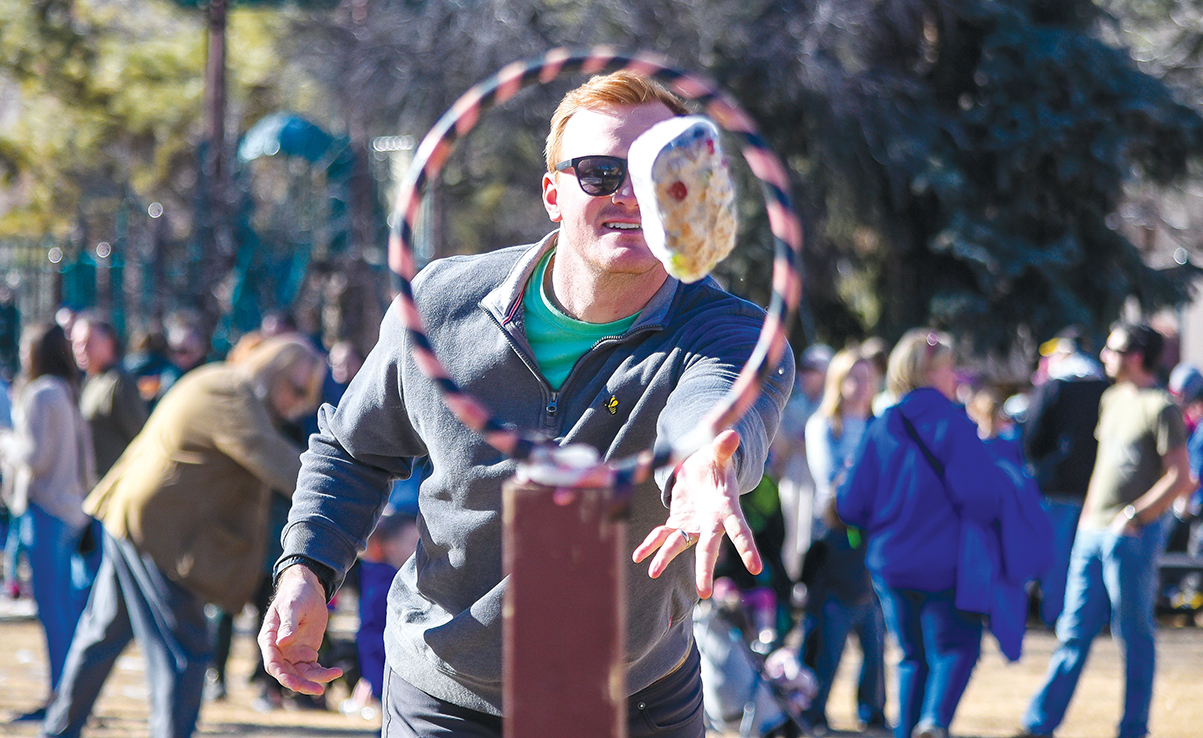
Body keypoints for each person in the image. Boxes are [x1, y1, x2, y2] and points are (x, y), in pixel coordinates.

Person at [258, 71, 794, 738]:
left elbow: (717, 404)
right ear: (553, 194)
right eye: (600, 172)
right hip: (446, 697)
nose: (629, 192)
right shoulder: (441, 307)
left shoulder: (730, 330)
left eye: (658, 171)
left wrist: (704, 464)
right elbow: (353, 447)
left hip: (638, 698)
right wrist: (306, 567)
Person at [41, 335, 326, 738]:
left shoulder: (223, 384)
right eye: (297, 389)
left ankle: (57, 731)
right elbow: (276, 461)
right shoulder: (230, 392)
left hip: (138, 522)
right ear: (273, 368)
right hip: (156, 533)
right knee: (184, 652)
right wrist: (344, 504)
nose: (297, 402)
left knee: (100, 638)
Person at [1017, 322, 1196, 738]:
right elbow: (1105, 465)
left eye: (1112, 350)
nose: (1103, 357)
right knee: (1073, 630)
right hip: (1092, 531)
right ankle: (1039, 724)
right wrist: (1088, 518)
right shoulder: (1111, 398)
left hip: (1131, 536)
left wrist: (1134, 516)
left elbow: (1180, 477)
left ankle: (1133, 728)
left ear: (1135, 357)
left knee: (1132, 636)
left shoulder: (1161, 406)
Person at [837, 329, 1018, 738]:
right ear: (928, 372)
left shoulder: (883, 423)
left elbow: (849, 504)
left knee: (911, 658)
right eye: (950, 368)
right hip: (944, 564)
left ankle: (911, 731)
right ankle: (934, 722)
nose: (957, 377)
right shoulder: (953, 423)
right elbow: (983, 498)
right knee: (957, 649)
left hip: (891, 566)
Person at [0, 323, 96, 722]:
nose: (21, 354)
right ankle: (69, 694)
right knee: (65, 609)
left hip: (46, 511)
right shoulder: (67, 390)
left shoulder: (40, 393)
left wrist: (5, 440)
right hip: (71, 510)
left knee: (53, 610)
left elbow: (34, 457)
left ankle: (61, 697)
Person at [800, 347, 887, 734]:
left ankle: (873, 709)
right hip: (835, 542)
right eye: (853, 377)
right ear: (839, 381)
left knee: (875, 632)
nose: (861, 385)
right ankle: (815, 708)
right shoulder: (823, 425)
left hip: (876, 540)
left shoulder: (880, 425)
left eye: (868, 377)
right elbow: (831, 484)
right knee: (831, 629)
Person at [1021, 329, 1108, 628]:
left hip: (1057, 484)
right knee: (1089, 557)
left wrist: (1043, 463)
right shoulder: (1103, 385)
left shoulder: (1054, 385)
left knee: (1058, 556)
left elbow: (1032, 434)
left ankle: (1055, 616)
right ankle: (1092, 619)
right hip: (1095, 484)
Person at [772, 344, 833, 583]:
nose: (806, 374)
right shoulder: (793, 403)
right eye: (804, 368)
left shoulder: (832, 407)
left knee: (811, 535)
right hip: (792, 478)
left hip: (818, 483)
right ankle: (794, 587)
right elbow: (784, 447)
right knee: (791, 536)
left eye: (813, 369)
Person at [70, 313, 148, 478]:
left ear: (109, 343)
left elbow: (140, 437)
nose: (81, 350)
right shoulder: (90, 380)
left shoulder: (118, 382)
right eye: (76, 344)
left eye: (87, 343)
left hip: (115, 484)